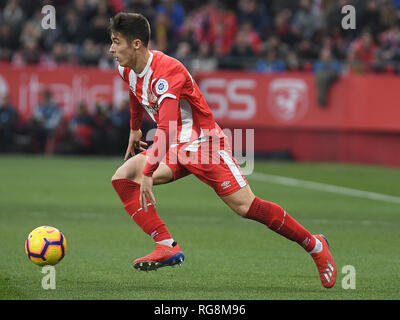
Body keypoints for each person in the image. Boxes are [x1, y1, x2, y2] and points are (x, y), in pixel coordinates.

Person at [108, 12, 337, 288]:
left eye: (116, 42)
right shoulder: (126, 68)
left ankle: (315, 245)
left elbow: (166, 128)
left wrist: (149, 171)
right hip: (176, 145)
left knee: (246, 206)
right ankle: (166, 245)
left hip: (204, 144)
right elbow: (135, 92)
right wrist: (135, 128)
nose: (111, 49)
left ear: (136, 44)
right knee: (122, 178)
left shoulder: (168, 72)